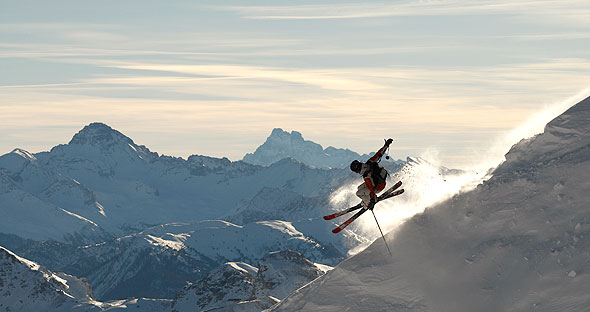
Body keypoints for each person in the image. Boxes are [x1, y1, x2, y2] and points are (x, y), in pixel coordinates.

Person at [350, 138, 393, 210]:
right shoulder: (370, 162)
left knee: (358, 193)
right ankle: (367, 200)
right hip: (380, 182)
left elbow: (371, 189)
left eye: (356, 171)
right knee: (359, 188)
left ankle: (367, 202)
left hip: (378, 187)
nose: (357, 173)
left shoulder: (366, 176)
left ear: (357, 170)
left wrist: (372, 201)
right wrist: (386, 145)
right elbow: (379, 154)